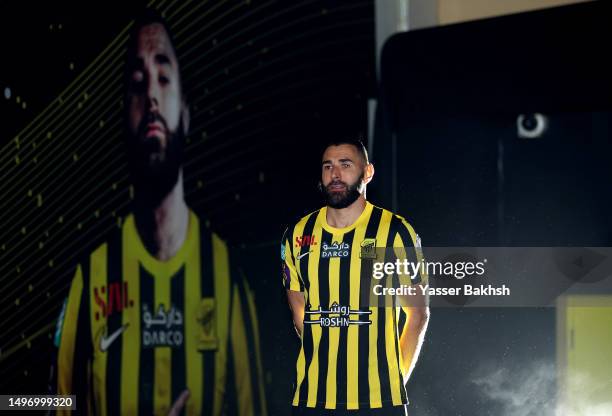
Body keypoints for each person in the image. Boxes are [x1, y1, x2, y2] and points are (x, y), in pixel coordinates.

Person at [54, 10, 267, 416]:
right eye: (137, 83)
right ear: (123, 113)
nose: (151, 95)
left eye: (164, 78)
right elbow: (41, 402)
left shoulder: (226, 280)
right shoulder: (91, 278)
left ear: (185, 111)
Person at [282, 139, 429, 415]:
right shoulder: (298, 234)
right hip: (312, 400)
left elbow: (417, 314)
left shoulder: (396, 232)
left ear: (368, 172)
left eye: (345, 165)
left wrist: (392, 383)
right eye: (328, 166)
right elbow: (299, 310)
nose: (335, 175)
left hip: (379, 403)